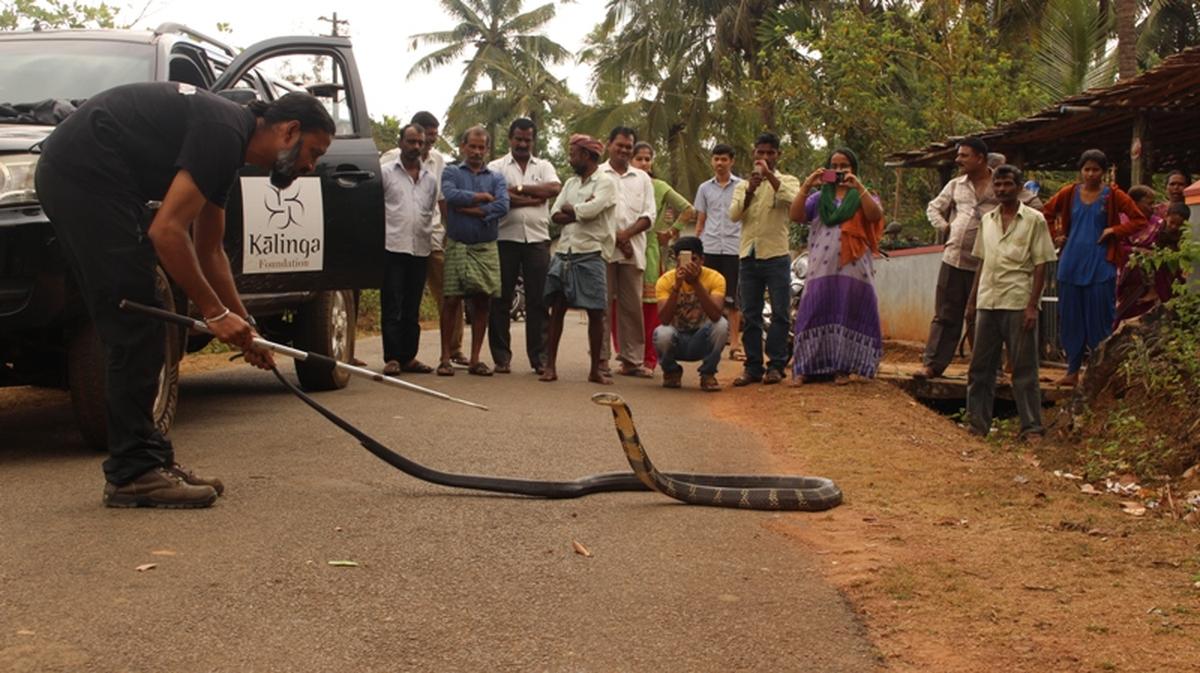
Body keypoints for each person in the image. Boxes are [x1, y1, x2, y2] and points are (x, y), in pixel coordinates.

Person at [34, 82, 332, 508]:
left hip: (92, 178)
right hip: (81, 174)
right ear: (289, 131)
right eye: (313, 153)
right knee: (136, 316)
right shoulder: (223, 130)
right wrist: (213, 313)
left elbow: (210, 251)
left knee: (144, 315)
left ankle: (147, 460)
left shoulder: (229, 145)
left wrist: (246, 327)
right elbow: (167, 231)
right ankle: (134, 473)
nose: (311, 166)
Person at [964, 165, 1057, 440]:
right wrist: (971, 303)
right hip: (987, 301)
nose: (1002, 189)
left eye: (1007, 184)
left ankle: (1031, 427)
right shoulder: (987, 220)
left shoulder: (1034, 220)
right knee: (980, 368)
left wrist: (1032, 306)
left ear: (1019, 188)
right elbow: (981, 262)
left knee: (1024, 367)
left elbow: (1041, 265)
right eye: (998, 185)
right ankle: (976, 425)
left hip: (1017, 300)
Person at [1042, 149, 1147, 387]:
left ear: (1104, 171)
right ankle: (1072, 370)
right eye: (1086, 169)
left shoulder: (1112, 195)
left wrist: (1114, 230)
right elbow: (1046, 213)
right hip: (1071, 261)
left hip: (1101, 261)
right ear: (1080, 171)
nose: (1090, 174)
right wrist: (1056, 235)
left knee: (1100, 316)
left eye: (1095, 169)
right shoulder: (1069, 193)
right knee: (1070, 317)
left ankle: (1099, 372)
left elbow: (1138, 219)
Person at [789, 147, 885, 384]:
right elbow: (796, 216)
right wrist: (807, 185)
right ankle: (806, 367)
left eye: (845, 166)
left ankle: (843, 367)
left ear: (853, 169)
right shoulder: (820, 198)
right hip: (821, 268)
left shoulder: (865, 196)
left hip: (854, 268)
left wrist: (858, 187)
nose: (840, 170)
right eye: (835, 166)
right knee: (813, 310)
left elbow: (875, 215)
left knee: (848, 311)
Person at [541, 134, 618, 384]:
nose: (570, 158)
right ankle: (549, 366)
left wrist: (575, 210)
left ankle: (595, 369)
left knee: (596, 312)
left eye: (573, 154)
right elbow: (555, 213)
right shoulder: (571, 184)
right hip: (565, 251)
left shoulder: (606, 183)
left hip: (591, 252)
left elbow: (592, 210)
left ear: (586, 155)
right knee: (557, 310)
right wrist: (579, 211)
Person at [486, 118, 560, 374]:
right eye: (518, 138)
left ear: (533, 140)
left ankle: (539, 359)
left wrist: (517, 189)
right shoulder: (495, 166)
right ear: (510, 138)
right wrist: (532, 198)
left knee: (539, 300)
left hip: (537, 240)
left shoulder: (545, 166)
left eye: (527, 139)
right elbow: (497, 196)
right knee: (501, 299)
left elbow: (553, 188)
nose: (522, 143)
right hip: (504, 239)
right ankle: (501, 358)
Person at [915, 138, 994, 380]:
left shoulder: (998, 184)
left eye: (964, 155)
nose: (958, 160)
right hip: (954, 258)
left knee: (984, 316)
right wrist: (946, 227)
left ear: (980, 158)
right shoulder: (956, 185)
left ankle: (986, 370)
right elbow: (933, 208)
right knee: (946, 314)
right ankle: (932, 365)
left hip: (988, 263)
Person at [437, 126, 509, 376]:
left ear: (487, 149)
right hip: (458, 244)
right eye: (473, 146)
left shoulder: (497, 177)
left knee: (483, 300)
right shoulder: (451, 171)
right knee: (451, 301)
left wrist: (472, 210)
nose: (477, 151)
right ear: (463, 147)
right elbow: (450, 194)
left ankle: (475, 359)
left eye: (482, 147)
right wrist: (480, 196)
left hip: (486, 247)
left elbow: (503, 205)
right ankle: (445, 358)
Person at [729, 132, 800, 386]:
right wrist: (750, 189)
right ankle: (753, 367)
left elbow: (794, 203)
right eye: (761, 152)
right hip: (749, 255)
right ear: (754, 153)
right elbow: (734, 215)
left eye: (770, 153)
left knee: (781, 312)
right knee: (751, 313)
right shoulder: (742, 185)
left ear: (778, 155)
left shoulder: (788, 180)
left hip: (777, 254)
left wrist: (769, 176)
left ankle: (777, 365)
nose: (765, 157)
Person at [380, 124, 439, 376]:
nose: (416, 147)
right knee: (393, 302)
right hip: (392, 246)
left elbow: (431, 210)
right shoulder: (385, 173)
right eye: (411, 141)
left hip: (420, 248)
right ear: (400, 142)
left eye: (420, 143)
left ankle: (409, 357)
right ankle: (392, 357)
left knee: (412, 306)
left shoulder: (431, 179)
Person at [598, 127, 656, 378]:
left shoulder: (642, 178)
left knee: (632, 307)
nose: (623, 150)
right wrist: (615, 237)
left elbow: (649, 215)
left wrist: (625, 235)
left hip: (633, 251)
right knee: (601, 306)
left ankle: (632, 361)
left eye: (628, 147)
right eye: (619, 145)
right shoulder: (597, 174)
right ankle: (600, 360)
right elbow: (593, 210)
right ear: (608, 144)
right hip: (602, 251)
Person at [631, 141, 693, 371]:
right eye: (639, 158)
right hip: (623, 247)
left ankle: (649, 359)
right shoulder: (621, 184)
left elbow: (688, 209)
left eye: (648, 159)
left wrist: (670, 232)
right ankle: (629, 356)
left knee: (649, 307)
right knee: (624, 305)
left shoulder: (659, 186)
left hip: (650, 250)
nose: (644, 163)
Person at [411, 111, 467, 366]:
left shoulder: (438, 160)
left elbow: (443, 199)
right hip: (404, 238)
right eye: (427, 136)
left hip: (434, 234)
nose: (431, 142)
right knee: (407, 297)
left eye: (434, 136)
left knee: (450, 293)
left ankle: (454, 348)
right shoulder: (391, 158)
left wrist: (450, 230)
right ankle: (404, 354)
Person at [653, 237, 728, 392]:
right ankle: (671, 371)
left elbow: (715, 315)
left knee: (721, 325)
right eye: (684, 260)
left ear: (702, 260)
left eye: (694, 259)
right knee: (662, 333)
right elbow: (664, 319)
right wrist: (677, 287)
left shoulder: (716, 278)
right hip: (677, 338)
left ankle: (708, 373)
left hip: (701, 337)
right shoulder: (666, 281)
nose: (688, 264)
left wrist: (696, 283)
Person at [694, 143, 744, 361]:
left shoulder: (742, 186)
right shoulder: (704, 188)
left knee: (734, 298)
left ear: (732, 161)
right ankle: (708, 341)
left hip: (735, 247)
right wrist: (697, 245)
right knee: (708, 296)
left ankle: (734, 343)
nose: (720, 163)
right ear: (712, 161)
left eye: (724, 159)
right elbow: (701, 220)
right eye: (716, 159)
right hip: (710, 246)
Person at [1115, 201, 1188, 325]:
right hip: (1142, 271)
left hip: (1163, 276)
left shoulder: (1181, 237)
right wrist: (1142, 251)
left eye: (1178, 225)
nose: (1174, 227)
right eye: (1172, 223)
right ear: (1166, 216)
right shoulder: (1155, 229)